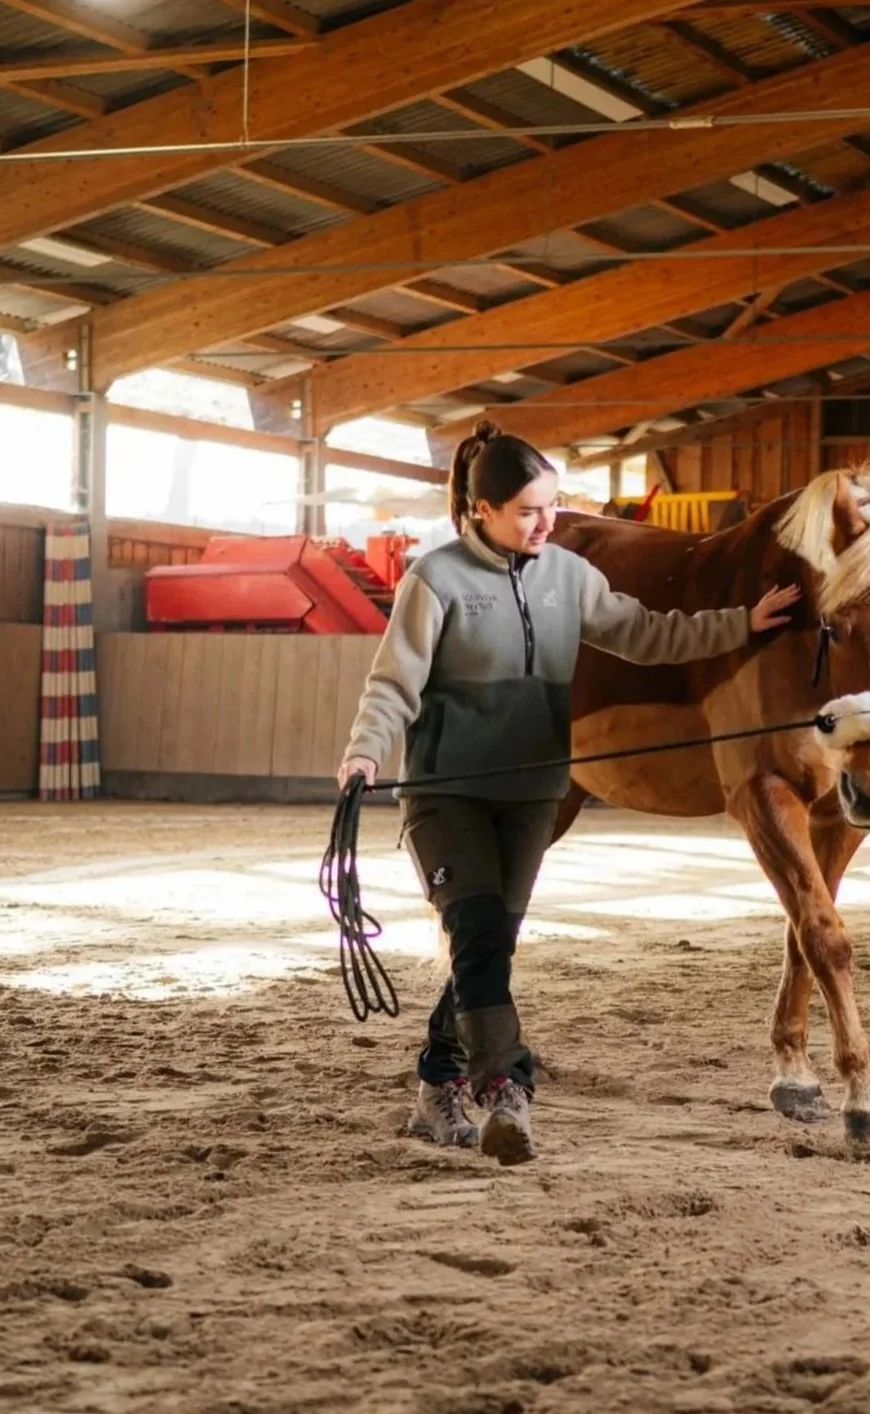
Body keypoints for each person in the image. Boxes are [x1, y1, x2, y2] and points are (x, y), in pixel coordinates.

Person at [337, 423, 800, 1166]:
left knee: (485, 950)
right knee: (480, 935)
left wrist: (741, 624)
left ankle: (434, 1082)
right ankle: (503, 1090)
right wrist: (364, 751)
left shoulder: (568, 577)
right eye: (527, 511)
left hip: (531, 794)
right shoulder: (434, 579)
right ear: (480, 510)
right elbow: (394, 681)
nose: (546, 524)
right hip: (446, 793)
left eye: (552, 506)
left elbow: (649, 634)